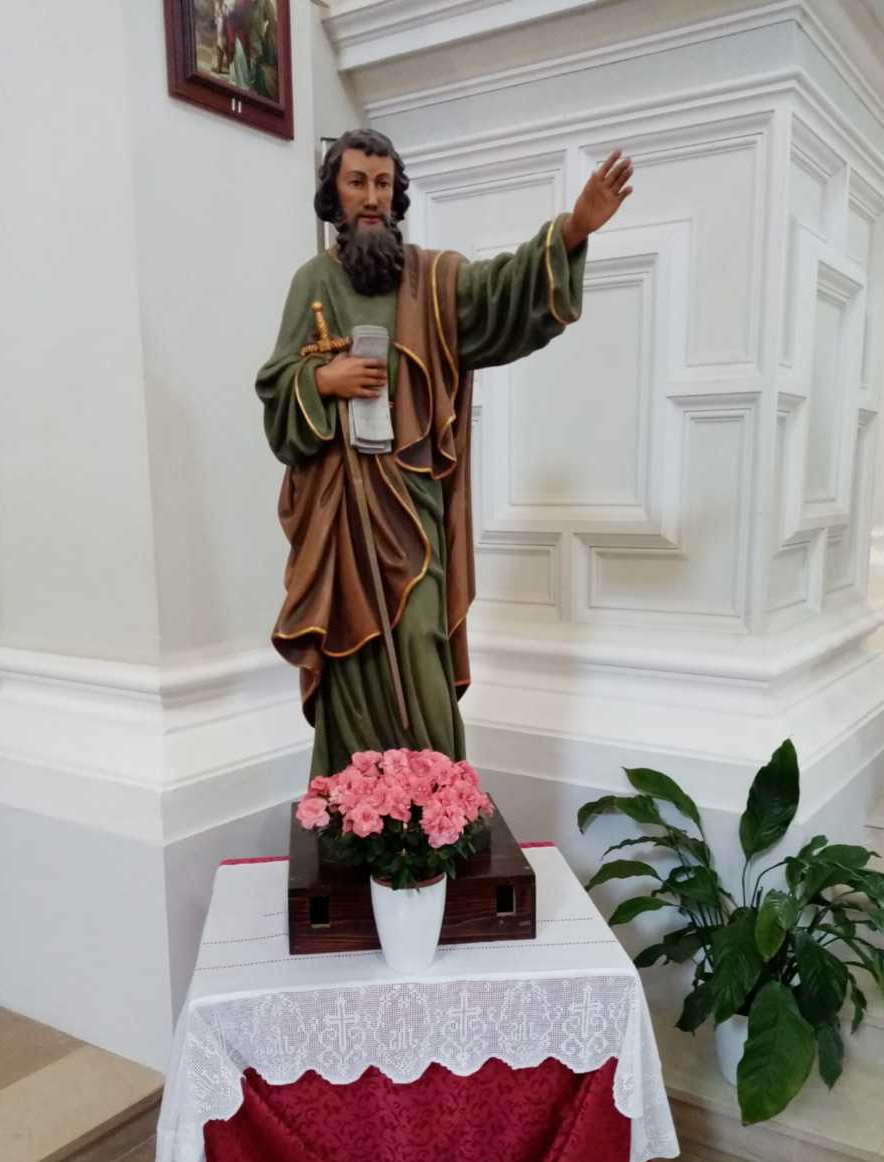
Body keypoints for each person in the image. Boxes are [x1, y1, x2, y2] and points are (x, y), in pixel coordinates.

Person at [256, 129, 633, 778]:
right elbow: (276, 393)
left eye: (382, 184)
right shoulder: (311, 282)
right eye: (356, 182)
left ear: (396, 195)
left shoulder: (432, 281)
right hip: (340, 515)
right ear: (334, 194)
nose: (371, 197)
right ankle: (356, 803)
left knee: (419, 640)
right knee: (350, 659)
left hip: (413, 510)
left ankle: (435, 802)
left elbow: (499, 291)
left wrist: (573, 230)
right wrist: (323, 380)